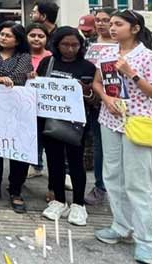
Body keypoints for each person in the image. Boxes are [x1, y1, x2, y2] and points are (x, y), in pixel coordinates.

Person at [91, 10, 152, 264]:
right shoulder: (107, 53)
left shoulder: (149, 57)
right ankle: (120, 225)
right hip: (110, 119)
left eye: (118, 24)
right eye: (110, 24)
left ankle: (147, 240)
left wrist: (132, 73)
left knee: (138, 182)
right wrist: (106, 98)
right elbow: (97, 83)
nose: (112, 28)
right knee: (113, 175)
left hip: (137, 122)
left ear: (134, 28)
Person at [38, 27, 97, 227]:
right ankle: (59, 200)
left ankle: (78, 204)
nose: (70, 49)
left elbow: (93, 99)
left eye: (74, 45)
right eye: (65, 44)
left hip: (76, 125)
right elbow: (39, 87)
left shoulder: (88, 67)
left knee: (76, 163)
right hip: (51, 121)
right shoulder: (48, 63)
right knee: (54, 162)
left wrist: (86, 92)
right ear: (56, 44)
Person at [0, 21, 33, 213]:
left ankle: (15, 189)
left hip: (17, 108)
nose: (3, 37)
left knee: (16, 149)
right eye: (1, 34)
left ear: (18, 40)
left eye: (8, 35)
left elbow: (18, 77)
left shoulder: (24, 56)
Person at [85, 7, 116, 207]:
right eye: (98, 20)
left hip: (116, 102)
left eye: (107, 20)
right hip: (92, 100)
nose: (102, 24)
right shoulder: (89, 44)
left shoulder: (125, 46)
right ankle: (100, 185)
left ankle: (117, 187)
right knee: (98, 145)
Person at [25, 22, 52, 179]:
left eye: (41, 36)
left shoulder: (51, 57)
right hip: (27, 102)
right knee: (32, 135)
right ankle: (35, 165)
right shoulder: (21, 56)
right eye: (32, 36)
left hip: (47, 103)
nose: (36, 39)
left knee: (46, 134)